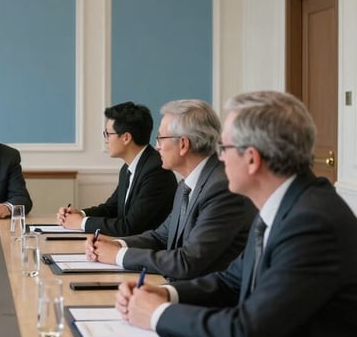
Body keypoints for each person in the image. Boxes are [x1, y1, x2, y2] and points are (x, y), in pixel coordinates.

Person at [117, 91, 357, 337]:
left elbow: (246, 333)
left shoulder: (312, 222)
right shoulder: (284, 204)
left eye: (224, 149)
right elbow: (232, 279)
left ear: (252, 159)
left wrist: (157, 315)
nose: (217, 158)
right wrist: (166, 293)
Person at [86, 99, 254, 279]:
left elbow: (187, 261)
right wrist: (117, 244)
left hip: (205, 298)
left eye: (160, 138)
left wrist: (118, 256)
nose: (156, 146)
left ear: (183, 144)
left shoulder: (222, 188)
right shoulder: (185, 185)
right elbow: (161, 237)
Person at [56, 101, 177, 235]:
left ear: (126, 137)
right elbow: (111, 209)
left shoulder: (156, 171)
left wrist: (81, 223)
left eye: (108, 134)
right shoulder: (128, 168)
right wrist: (81, 214)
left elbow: (129, 226)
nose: (106, 140)